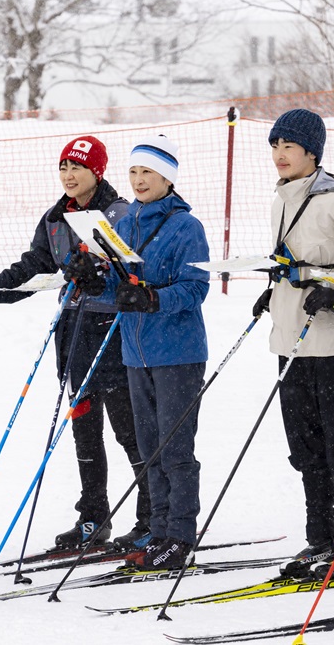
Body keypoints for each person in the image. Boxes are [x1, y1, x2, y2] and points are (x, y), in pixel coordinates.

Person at [0, 135, 152, 551]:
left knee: (128, 430)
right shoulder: (54, 217)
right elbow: (34, 270)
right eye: (63, 166)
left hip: (112, 332)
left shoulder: (120, 213)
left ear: (97, 172)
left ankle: (152, 516)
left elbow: (135, 269)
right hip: (73, 332)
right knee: (83, 429)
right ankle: (93, 518)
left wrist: (101, 274)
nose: (68, 175)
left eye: (77, 167)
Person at [252, 108, 334, 579]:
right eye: (275, 146)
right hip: (291, 342)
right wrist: (275, 289)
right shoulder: (281, 198)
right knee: (306, 450)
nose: (279, 154)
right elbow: (296, 260)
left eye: (289, 146)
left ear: (312, 152)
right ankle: (320, 541)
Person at [106, 134, 210, 571]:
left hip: (178, 353)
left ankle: (180, 535)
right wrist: (97, 279)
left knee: (175, 449)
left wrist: (153, 299)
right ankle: (158, 528)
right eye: (133, 170)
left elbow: (195, 287)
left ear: (168, 177)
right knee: (148, 447)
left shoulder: (187, 227)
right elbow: (117, 284)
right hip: (136, 352)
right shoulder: (125, 222)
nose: (139, 179)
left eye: (147, 171)